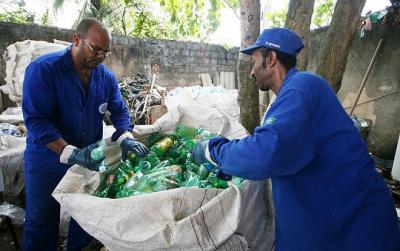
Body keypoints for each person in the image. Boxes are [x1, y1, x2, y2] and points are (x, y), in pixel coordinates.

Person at [192, 28, 400, 250]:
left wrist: (212, 150)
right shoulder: (297, 91)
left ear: (271, 59)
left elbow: (264, 153)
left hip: (353, 229)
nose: (252, 72)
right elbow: (282, 147)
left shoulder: (301, 88)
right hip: (334, 219)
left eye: (254, 62)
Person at [22, 18, 149, 251]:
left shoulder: (106, 78)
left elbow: (119, 111)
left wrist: (126, 138)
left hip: (89, 159)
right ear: (77, 39)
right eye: (96, 49)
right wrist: (72, 153)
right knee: (41, 223)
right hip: (47, 161)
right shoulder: (44, 71)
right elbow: (37, 122)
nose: (100, 56)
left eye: (106, 52)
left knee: (86, 220)